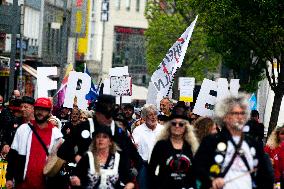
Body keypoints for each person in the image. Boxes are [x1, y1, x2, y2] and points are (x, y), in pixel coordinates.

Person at [193, 94, 274, 189]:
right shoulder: (211, 141)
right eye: (235, 113)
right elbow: (197, 168)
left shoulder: (254, 144)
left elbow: (266, 176)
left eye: (242, 113)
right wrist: (211, 180)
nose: (240, 117)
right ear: (225, 117)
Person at [5, 97, 63, 189]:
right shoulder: (23, 129)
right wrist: (9, 178)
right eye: (38, 109)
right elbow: (13, 156)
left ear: (49, 112)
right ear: (34, 110)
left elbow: (59, 161)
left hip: (45, 184)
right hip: (22, 184)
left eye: (44, 110)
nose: (40, 112)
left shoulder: (56, 134)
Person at [70, 126, 135, 189]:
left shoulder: (118, 158)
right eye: (98, 137)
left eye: (105, 137)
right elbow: (75, 175)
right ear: (95, 141)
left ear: (110, 142)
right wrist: (76, 180)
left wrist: (129, 185)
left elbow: (129, 180)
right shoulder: (88, 157)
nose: (101, 139)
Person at [148, 113, 199, 189]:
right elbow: (151, 169)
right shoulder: (161, 145)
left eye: (181, 124)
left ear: (186, 127)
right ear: (169, 126)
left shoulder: (191, 146)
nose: (177, 126)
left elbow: (194, 171)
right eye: (174, 123)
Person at [132, 104, 164, 189]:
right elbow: (134, 146)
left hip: (159, 165)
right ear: (145, 117)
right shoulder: (138, 130)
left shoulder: (163, 129)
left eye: (155, 114)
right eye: (150, 115)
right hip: (144, 165)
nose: (153, 117)